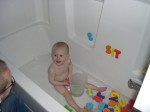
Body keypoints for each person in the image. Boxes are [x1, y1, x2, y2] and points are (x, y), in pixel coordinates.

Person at [48, 42, 107, 112]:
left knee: (81, 82)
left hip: (67, 78)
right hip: (57, 83)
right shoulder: (52, 69)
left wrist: (69, 74)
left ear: (67, 56)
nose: (58, 58)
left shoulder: (67, 61)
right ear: (51, 55)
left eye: (61, 55)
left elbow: (70, 65)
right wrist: (63, 84)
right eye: (55, 55)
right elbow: (51, 81)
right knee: (66, 94)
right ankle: (78, 108)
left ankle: (97, 88)